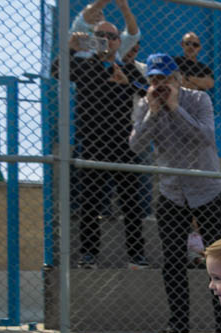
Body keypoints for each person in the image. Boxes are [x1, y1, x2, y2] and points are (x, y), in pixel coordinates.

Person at [129, 53, 221, 333]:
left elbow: (205, 137)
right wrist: (153, 112)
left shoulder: (199, 100)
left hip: (206, 188)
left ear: (176, 78)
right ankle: (178, 323)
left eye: (164, 79)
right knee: (173, 260)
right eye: (153, 79)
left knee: (218, 259)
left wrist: (175, 107)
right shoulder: (144, 104)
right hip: (171, 190)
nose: (158, 85)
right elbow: (136, 145)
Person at [59, 7, 149, 270]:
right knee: (91, 202)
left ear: (119, 42)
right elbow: (57, 70)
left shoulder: (128, 68)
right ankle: (89, 254)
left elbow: (149, 93)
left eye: (111, 36)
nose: (107, 41)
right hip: (92, 143)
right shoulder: (84, 65)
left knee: (130, 203)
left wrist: (127, 84)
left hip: (124, 144)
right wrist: (70, 48)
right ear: (92, 38)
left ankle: (136, 255)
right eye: (101, 36)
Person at [69, 0, 140, 63]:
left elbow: (133, 35)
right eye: (94, 12)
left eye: (100, 14)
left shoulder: (115, 40)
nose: (96, 15)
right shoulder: (80, 34)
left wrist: (124, 8)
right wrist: (102, 2)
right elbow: (83, 20)